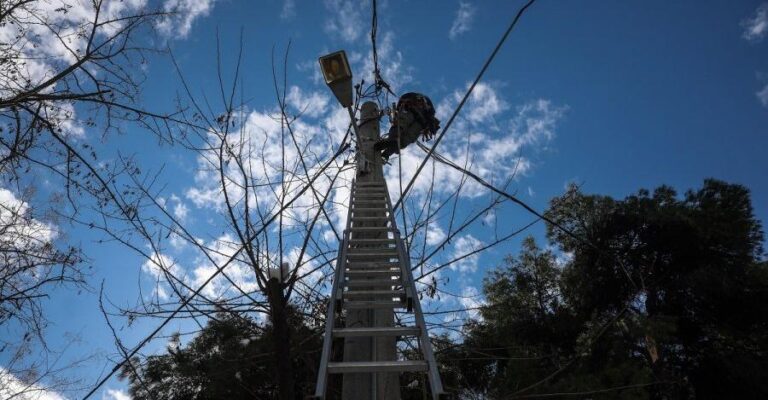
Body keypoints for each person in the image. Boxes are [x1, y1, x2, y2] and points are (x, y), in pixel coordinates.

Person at [374, 92, 440, 160]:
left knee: (402, 129)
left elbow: (403, 102)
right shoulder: (428, 110)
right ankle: (388, 151)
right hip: (417, 119)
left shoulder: (426, 108)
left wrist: (399, 109)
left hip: (416, 117)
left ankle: (388, 150)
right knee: (405, 136)